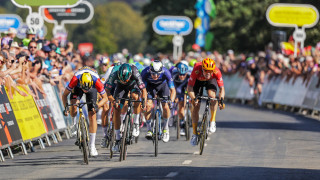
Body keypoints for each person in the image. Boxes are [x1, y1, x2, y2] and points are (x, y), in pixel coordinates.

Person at [62, 66, 108, 157]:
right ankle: (74, 124)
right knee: (74, 105)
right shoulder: (75, 79)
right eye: (84, 88)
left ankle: (92, 146)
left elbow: (105, 98)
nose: (85, 91)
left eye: (87, 89)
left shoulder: (96, 81)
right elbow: (64, 95)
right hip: (77, 88)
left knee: (92, 115)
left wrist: (97, 105)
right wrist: (66, 107)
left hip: (93, 89)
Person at [105, 63, 147, 152]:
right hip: (120, 87)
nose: (125, 81)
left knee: (136, 98)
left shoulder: (135, 72)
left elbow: (144, 90)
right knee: (116, 109)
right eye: (122, 79)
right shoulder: (114, 73)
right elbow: (107, 92)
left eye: (126, 79)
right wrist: (113, 101)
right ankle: (117, 139)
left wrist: (144, 102)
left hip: (133, 85)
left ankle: (136, 122)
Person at [187, 58, 225, 146]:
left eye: (210, 71)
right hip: (198, 82)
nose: (208, 73)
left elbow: (222, 89)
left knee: (212, 96)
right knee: (195, 106)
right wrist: (193, 98)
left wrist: (221, 100)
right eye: (206, 71)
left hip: (210, 81)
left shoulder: (216, 71)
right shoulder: (197, 69)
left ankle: (212, 120)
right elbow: (189, 87)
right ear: (202, 69)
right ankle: (194, 134)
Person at [141, 60, 176, 143]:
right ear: (150, 71)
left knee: (166, 106)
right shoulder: (145, 72)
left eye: (158, 74)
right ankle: (149, 129)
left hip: (163, 87)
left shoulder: (166, 72)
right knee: (148, 105)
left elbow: (173, 90)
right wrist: (143, 101)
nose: (155, 76)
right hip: (149, 87)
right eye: (153, 74)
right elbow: (142, 89)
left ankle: (166, 129)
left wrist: (171, 101)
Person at [172, 63, 190, 135]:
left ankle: (188, 116)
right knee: (181, 108)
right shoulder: (174, 76)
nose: (182, 76)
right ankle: (182, 122)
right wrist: (175, 97)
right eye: (180, 74)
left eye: (184, 75)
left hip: (186, 89)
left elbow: (189, 90)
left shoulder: (189, 76)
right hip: (177, 90)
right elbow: (172, 89)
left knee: (186, 103)